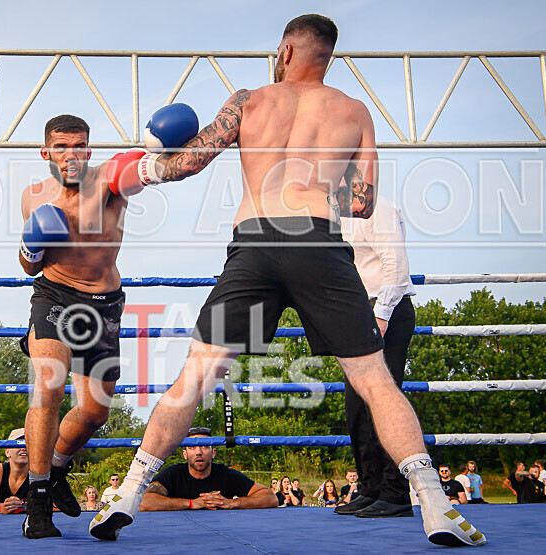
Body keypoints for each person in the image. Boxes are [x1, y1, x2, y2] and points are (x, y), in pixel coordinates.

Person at [90, 14, 485, 547]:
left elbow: (186, 163)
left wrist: (137, 170)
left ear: (285, 50)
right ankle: (435, 505)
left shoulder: (250, 101)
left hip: (255, 243)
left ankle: (129, 492)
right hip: (319, 242)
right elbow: (363, 204)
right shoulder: (354, 111)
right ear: (327, 56)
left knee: (197, 376)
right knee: (375, 381)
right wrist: (319, 179)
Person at [17, 112, 154, 539]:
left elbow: (144, 171)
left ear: (89, 151)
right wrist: (31, 243)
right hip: (55, 297)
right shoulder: (34, 196)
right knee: (49, 387)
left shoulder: (110, 180)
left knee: (95, 412)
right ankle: (37, 499)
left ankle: (56, 470)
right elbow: (27, 266)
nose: (71, 155)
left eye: (79, 146)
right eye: (61, 147)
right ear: (46, 152)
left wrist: (164, 155)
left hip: (104, 305)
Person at [337, 198, 416, 518]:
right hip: (357, 314)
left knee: (384, 403)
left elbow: (395, 266)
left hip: (386, 311)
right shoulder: (333, 216)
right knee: (356, 406)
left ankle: (396, 493)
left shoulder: (378, 208)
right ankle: (370, 488)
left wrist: (380, 316)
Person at [138, 427, 277, 511]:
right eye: (192, 447)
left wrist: (232, 503)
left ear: (213, 452)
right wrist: (191, 503)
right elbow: (144, 502)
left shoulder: (225, 474)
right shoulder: (172, 474)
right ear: (185, 454)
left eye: (205, 446)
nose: (199, 452)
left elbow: (270, 498)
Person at [0, 428, 30, 514]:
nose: (23, 448)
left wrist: (24, 506)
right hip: (3, 524)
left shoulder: (39, 472)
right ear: (7, 451)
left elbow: (52, 504)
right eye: (18, 444)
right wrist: (2, 508)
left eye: (27, 444)